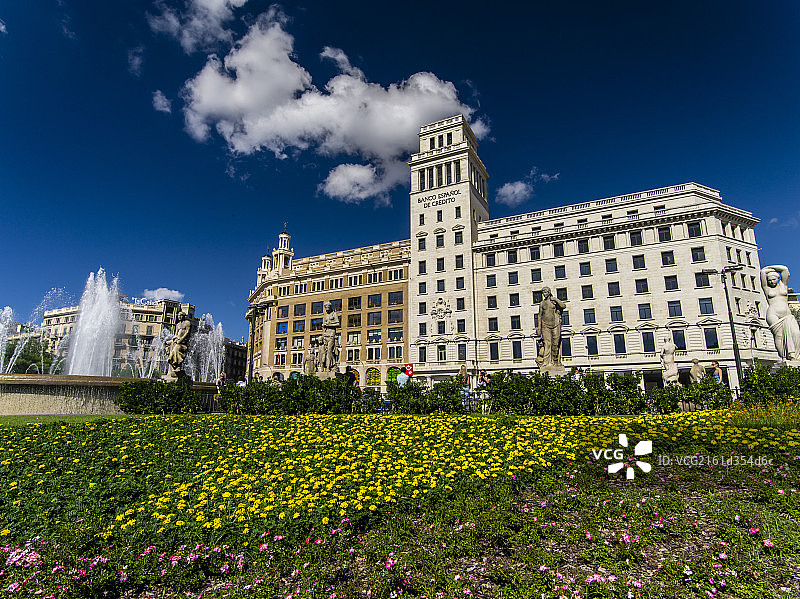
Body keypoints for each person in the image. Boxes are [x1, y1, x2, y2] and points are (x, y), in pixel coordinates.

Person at [761, 265, 800, 362]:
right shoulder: (767, 289)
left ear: (778, 278)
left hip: (787, 315)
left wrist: (770, 268)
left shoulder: (783, 285)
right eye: (769, 280)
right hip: (773, 314)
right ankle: (784, 357)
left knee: (796, 333)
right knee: (779, 336)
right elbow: (763, 272)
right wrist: (765, 270)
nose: (771, 282)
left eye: (773, 279)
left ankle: (795, 355)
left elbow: (784, 269)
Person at [536, 287, 566, 371]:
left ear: (549, 292)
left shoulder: (554, 301)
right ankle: (546, 363)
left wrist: (555, 299)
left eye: (545, 292)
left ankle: (555, 362)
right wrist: (539, 327)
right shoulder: (542, 303)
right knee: (547, 343)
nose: (544, 294)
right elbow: (539, 316)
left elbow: (563, 306)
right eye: (543, 293)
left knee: (555, 344)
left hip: (555, 325)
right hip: (545, 326)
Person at [321, 301, 341, 371]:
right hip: (326, 334)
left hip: (332, 334)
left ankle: (329, 366)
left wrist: (328, 325)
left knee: (329, 350)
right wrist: (324, 325)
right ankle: (328, 365)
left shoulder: (334, 314)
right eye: (325, 308)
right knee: (325, 351)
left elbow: (338, 324)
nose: (326, 309)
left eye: (328, 308)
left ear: (330, 307)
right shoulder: (326, 315)